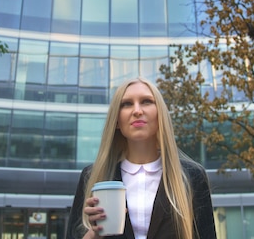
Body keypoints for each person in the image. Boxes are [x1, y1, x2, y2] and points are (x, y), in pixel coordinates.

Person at [66, 77, 217, 239]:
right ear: (116, 120)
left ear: (160, 115)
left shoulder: (191, 176)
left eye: (146, 101)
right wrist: (93, 234)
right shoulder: (93, 177)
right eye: (126, 104)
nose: (137, 111)